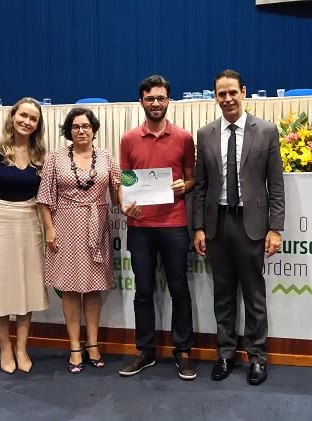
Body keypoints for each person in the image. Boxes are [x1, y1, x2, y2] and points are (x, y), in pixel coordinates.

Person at [192, 70, 285, 386]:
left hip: (252, 225)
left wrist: (276, 228)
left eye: (233, 92)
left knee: (254, 296)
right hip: (218, 224)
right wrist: (199, 228)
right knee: (223, 295)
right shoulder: (205, 134)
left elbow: (276, 183)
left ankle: (257, 358)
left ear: (243, 92)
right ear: (215, 96)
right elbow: (201, 186)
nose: (228, 98)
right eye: (221, 93)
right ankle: (226, 354)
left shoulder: (267, 131)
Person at [117, 75, 197, 380]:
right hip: (140, 226)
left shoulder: (184, 137)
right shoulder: (128, 139)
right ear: (141, 101)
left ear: (168, 101)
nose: (155, 103)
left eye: (161, 98)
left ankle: (183, 352)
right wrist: (124, 203)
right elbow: (124, 181)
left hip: (174, 224)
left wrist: (183, 185)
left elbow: (192, 179)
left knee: (179, 289)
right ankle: (146, 351)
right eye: (150, 98)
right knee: (144, 291)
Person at [37, 107, 122, 374]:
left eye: (86, 126)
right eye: (76, 127)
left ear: (94, 129)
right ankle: (75, 346)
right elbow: (44, 198)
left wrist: (138, 200)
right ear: (68, 131)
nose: (81, 131)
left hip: (96, 226)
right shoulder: (55, 157)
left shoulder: (107, 157)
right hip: (65, 225)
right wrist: (49, 229)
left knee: (94, 288)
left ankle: (93, 344)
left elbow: (120, 190)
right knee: (70, 290)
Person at [0, 97, 49, 374]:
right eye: (23, 116)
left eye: (33, 119)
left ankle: (22, 347)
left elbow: (44, 196)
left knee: (25, 286)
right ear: (13, 116)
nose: (27, 122)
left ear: (38, 125)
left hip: (29, 221)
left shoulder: (41, 155)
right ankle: (5, 347)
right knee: (1, 288)